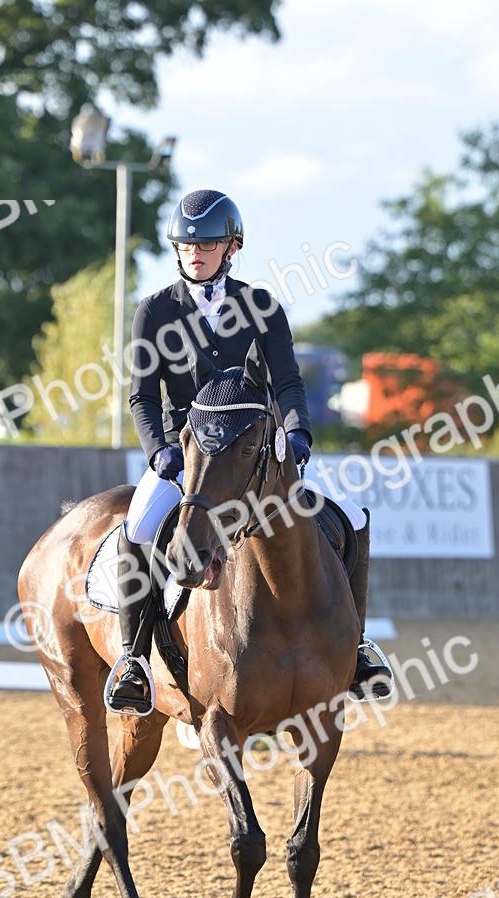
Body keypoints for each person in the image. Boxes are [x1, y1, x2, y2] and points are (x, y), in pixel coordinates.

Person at [106, 188, 392, 715]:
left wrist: (298, 433)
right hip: (188, 456)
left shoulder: (261, 306)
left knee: (351, 517)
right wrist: (158, 451)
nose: (195, 253)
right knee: (139, 528)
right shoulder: (155, 312)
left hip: (258, 452)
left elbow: (288, 382)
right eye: (186, 245)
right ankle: (134, 660)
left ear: (231, 247)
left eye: (207, 244)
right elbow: (142, 396)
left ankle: (356, 649)